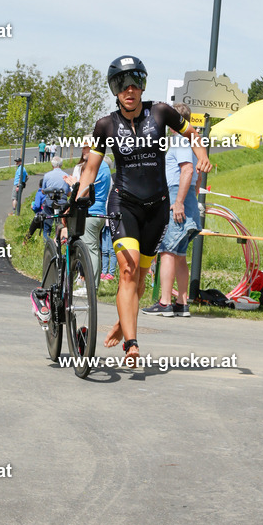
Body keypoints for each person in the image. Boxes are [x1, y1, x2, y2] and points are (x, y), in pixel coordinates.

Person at [75, 55, 211, 367]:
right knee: (128, 269)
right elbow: (90, 169)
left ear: (142, 86)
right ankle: (132, 343)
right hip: (124, 204)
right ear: (114, 90)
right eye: (122, 84)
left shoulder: (161, 112)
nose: (129, 89)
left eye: (135, 82)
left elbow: (193, 133)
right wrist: (80, 196)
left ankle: (124, 321)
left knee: (141, 277)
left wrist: (202, 154)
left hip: (158, 207)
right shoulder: (105, 126)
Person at [142, 103, 202, 318]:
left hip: (179, 198)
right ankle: (181, 302)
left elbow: (186, 170)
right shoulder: (191, 142)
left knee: (167, 251)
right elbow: (197, 174)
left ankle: (165, 302)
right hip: (188, 199)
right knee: (179, 254)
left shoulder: (179, 141)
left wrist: (178, 202)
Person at [67, 139, 112, 289]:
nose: (83, 151)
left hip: (90, 211)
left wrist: (74, 185)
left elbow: (85, 190)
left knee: (91, 250)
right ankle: (89, 284)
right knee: (94, 249)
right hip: (99, 212)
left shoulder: (95, 167)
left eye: (86, 148)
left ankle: (90, 287)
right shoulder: (104, 166)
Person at [38, 156, 71, 240]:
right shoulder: (66, 176)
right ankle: (62, 242)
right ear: (61, 164)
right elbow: (68, 193)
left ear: (52, 165)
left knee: (47, 225)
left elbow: (43, 191)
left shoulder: (47, 175)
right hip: (62, 203)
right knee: (62, 224)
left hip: (50, 203)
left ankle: (47, 244)